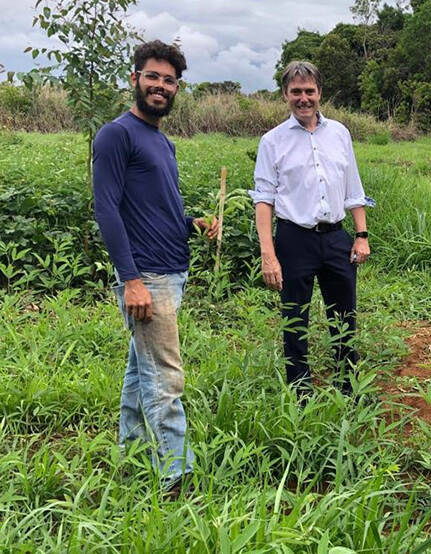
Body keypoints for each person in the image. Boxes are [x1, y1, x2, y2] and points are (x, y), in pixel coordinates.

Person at [93, 40, 218, 498]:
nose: (160, 86)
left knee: (138, 374)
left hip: (170, 270)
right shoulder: (116, 134)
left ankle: (129, 456)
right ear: (135, 79)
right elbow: (106, 210)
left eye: (168, 80)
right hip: (148, 278)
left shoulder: (161, 141)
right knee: (166, 377)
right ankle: (175, 479)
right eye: (153, 77)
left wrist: (192, 223)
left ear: (177, 87)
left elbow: (153, 207)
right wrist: (131, 280)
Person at [251, 60, 370, 397]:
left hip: (335, 237)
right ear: (285, 95)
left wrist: (361, 235)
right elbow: (264, 200)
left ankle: (348, 387)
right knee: (295, 319)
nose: (303, 98)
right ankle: (300, 393)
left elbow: (353, 189)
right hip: (293, 240)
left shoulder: (340, 134)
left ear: (320, 93)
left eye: (309, 91)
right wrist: (268, 253)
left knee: (344, 316)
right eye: (296, 92)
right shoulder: (272, 141)